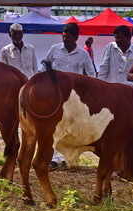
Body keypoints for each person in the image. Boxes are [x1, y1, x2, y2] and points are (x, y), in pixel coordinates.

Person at [44, 23, 95, 170]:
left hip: (74, 99)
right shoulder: (54, 50)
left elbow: (91, 74)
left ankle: (69, 159)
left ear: (76, 38)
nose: (65, 39)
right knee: (55, 128)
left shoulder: (83, 55)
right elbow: (44, 68)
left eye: (68, 37)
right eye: (63, 36)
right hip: (55, 97)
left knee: (72, 129)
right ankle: (53, 159)